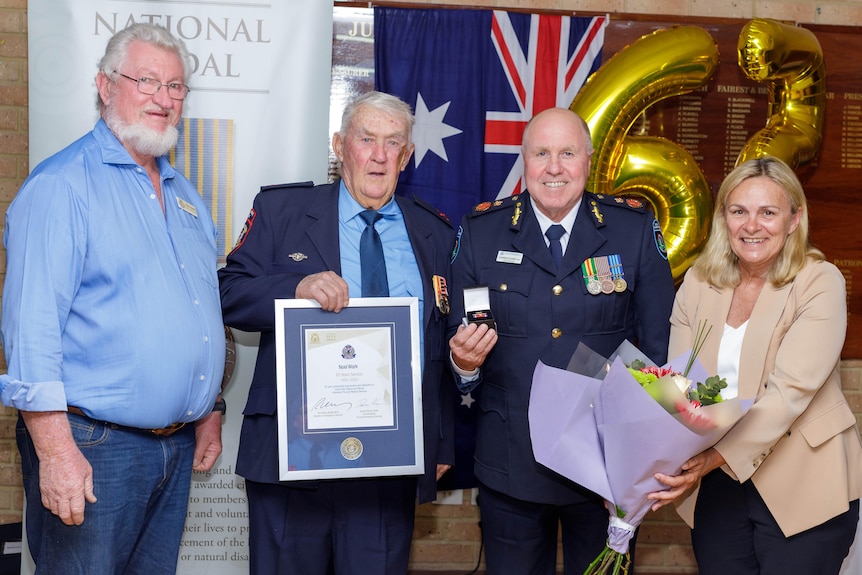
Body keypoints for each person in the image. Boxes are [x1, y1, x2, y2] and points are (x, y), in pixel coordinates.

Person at [0, 23, 226, 574]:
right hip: (93, 446)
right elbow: (31, 330)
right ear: (104, 86)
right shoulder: (62, 185)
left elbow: (201, 312)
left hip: (171, 451)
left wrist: (209, 408)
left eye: (176, 87)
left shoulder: (184, 193)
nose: (164, 98)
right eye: (146, 80)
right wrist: (55, 452)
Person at [218, 91, 456, 575]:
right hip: (292, 458)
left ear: (407, 156)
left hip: (389, 464)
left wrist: (440, 441)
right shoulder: (283, 212)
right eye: (367, 139)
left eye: (394, 143)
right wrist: (296, 286)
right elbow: (228, 292)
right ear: (340, 144)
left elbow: (440, 345)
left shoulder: (434, 233)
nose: (379, 154)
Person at [448, 107, 675, 574]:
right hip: (511, 460)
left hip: (603, 467)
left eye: (567, 153)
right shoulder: (480, 231)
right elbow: (458, 341)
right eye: (542, 153)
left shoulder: (631, 229)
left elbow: (657, 345)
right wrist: (465, 366)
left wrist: (648, 450)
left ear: (589, 161)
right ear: (524, 161)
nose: (554, 167)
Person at [648, 156, 862, 574]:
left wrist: (710, 460)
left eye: (768, 212)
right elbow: (678, 383)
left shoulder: (820, 281)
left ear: (794, 219)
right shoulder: (698, 282)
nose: (752, 225)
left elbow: (788, 395)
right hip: (717, 486)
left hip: (803, 481)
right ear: (723, 218)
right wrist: (635, 465)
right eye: (738, 210)